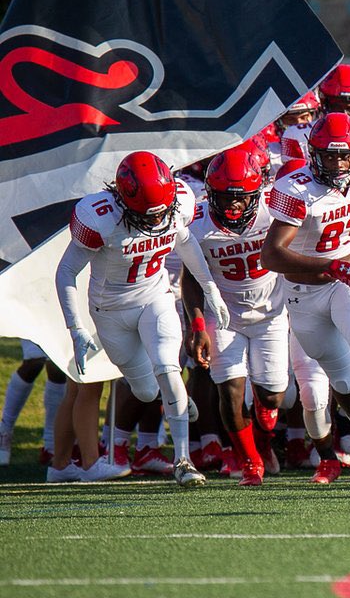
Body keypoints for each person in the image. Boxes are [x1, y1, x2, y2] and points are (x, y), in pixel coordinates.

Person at [56, 151, 232, 487]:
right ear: (123, 200)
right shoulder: (100, 217)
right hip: (110, 312)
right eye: (146, 216)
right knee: (147, 391)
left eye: (160, 213)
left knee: (168, 366)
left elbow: (186, 241)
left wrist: (211, 290)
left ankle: (183, 461)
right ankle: (178, 397)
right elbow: (66, 271)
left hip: (155, 297)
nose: (155, 222)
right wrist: (75, 327)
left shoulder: (179, 199)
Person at [262, 113, 350, 484]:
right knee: (335, 384)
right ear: (313, 153)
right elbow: (271, 255)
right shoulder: (296, 188)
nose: (338, 163)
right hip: (304, 294)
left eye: (344, 156)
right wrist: (332, 266)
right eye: (330, 155)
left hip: (346, 280)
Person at [182, 149, 290, 486]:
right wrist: (197, 324)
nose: (234, 206)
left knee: (273, 395)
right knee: (228, 391)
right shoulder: (197, 223)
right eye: (225, 197)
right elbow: (191, 279)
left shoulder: (275, 210)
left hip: (271, 313)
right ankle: (250, 462)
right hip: (223, 315)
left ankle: (264, 433)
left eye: (241, 199)